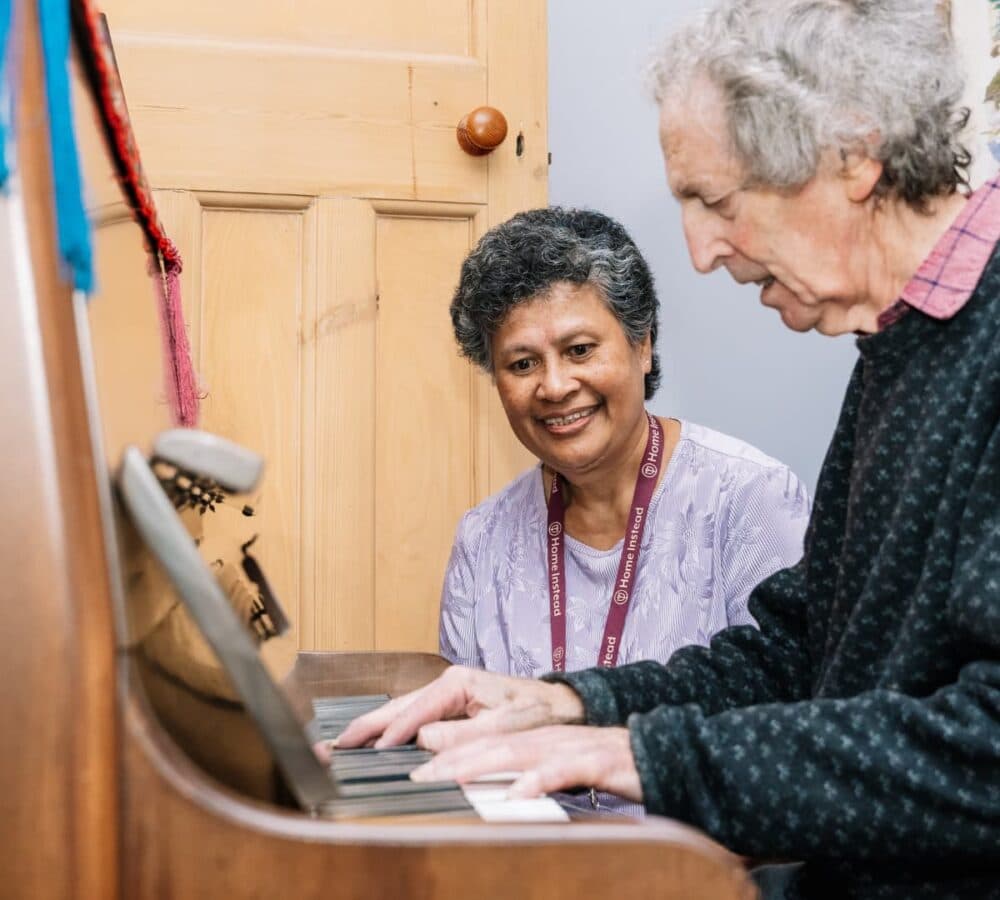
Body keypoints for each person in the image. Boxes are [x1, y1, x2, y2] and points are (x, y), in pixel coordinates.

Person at [336, 1, 1000, 897]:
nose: (699, 253)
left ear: (854, 157)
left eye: (715, 201)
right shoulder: (898, 351)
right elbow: (800, 652)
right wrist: (571, 702)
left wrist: (645, 755)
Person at [440, 207, 810, 684]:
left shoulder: (750, 500)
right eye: (523, 364)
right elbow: (465, 729)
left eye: (580, 350)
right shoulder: (483, 540)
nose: (554, 386)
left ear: (642, 345)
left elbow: (795, 706)